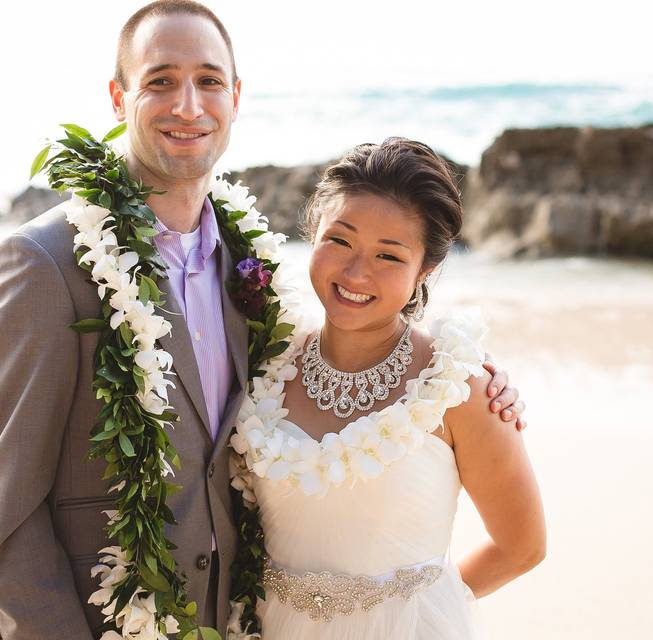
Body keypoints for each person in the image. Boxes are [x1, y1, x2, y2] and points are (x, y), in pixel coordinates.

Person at [0, 2, 527, 638]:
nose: (187, 105)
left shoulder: (251, 275)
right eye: (160, 80)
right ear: (119, 97)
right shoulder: (41, 266)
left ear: (234, 98)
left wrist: (473, 382)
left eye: (208, 81)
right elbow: (5, 516)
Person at [230, 138, 545, 639]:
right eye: (340, 240)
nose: (357, 272)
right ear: (311, 231)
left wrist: (408, 609)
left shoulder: (459, 388)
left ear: (427, 270)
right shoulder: (264, 362)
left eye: (389, 256)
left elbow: (521, 547)